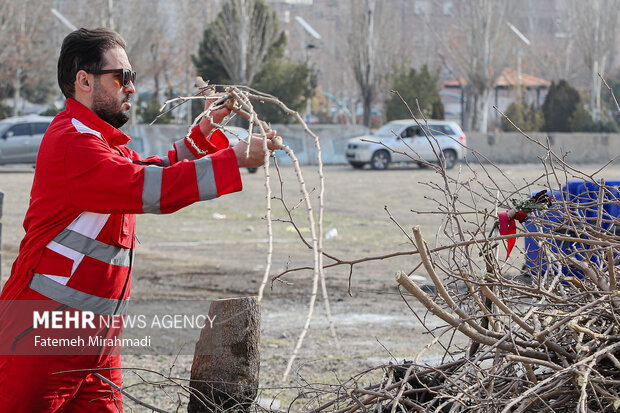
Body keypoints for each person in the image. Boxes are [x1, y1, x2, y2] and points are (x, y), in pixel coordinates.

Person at [0, 28, 277, 412]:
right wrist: (234, 159)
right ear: (83, 81)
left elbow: (147, 168)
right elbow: (149, 187)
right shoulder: (73, 142)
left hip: (97, 339)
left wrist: (202, 136)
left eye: (131, 78)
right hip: (44, 331)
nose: (131, 88)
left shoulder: (97, 140)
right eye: (121, 77)